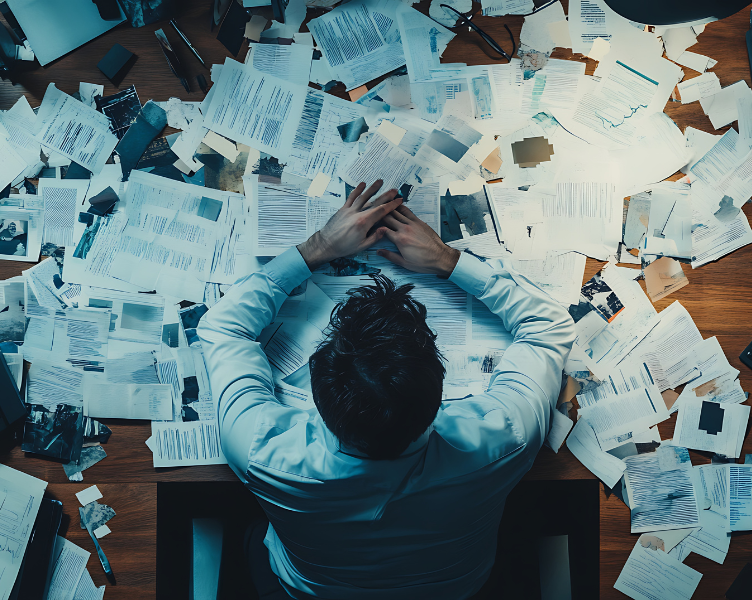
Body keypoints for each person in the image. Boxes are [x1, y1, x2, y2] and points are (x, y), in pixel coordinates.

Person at [198, 180, 575, 600]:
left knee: (250, 535)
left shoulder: (259, 449)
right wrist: (449, 260)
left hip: (308, 591)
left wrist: (318, 247)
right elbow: (548, 326)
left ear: (318, 395)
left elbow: (223, 326)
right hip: (460, 588)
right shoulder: (505, 438)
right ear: (440, 393)